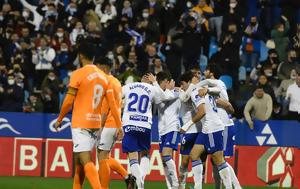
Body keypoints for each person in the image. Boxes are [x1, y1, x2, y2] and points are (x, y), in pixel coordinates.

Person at [54, 41, 122, 189]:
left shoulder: (78, 73)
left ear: (80, 56)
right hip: (96, 125)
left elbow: (68, 101)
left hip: (81, 123)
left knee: (84, 160)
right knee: (79, 165)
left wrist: (60, 119)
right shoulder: (104, 77)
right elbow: (113, 105)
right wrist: (119, 126)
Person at [121, 72, 174, 189]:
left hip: (129, 124)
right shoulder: (152, 88)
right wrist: (155, 82)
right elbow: (164, 97)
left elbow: (116, 96)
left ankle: (139, 181)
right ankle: (141, 180)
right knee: (145, 153)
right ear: (150, 80)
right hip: (145, 125)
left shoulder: (129, 86)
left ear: (141, 79)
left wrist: (122, 106)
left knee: (132, 156)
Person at [180, 85, 233, 189]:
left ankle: (228, 187)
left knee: (218, 160)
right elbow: (218, 89)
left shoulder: (195, 92)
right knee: (194, 154)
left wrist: (186, 125)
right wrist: (207, 89)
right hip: (206, 130)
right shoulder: (206, 90)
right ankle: (198, 187)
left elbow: (202, 111)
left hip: (212, 129)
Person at [95, 57, 135, 189]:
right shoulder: (117, 82)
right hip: (114, 122)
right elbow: (120, 103)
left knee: (102, 158)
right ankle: (127, 177)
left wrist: (100, 126)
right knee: (104, 156)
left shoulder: (107, 82)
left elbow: (107, 107)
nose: (97, 70)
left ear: (105, 67)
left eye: (99, 67)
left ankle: (104, 187)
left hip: (109, 123)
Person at [151, 72, 180, 189]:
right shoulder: (160, 92)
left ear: (167, 82)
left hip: (172, 128)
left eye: (160, 82)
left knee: (166, 154)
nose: (159, 85)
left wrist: (154, 82)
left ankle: (176, 184)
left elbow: (164, 97)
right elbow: (158, 97)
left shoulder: (177, 92)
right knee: (164, 160)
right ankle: (170, 186)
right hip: (161, 130)